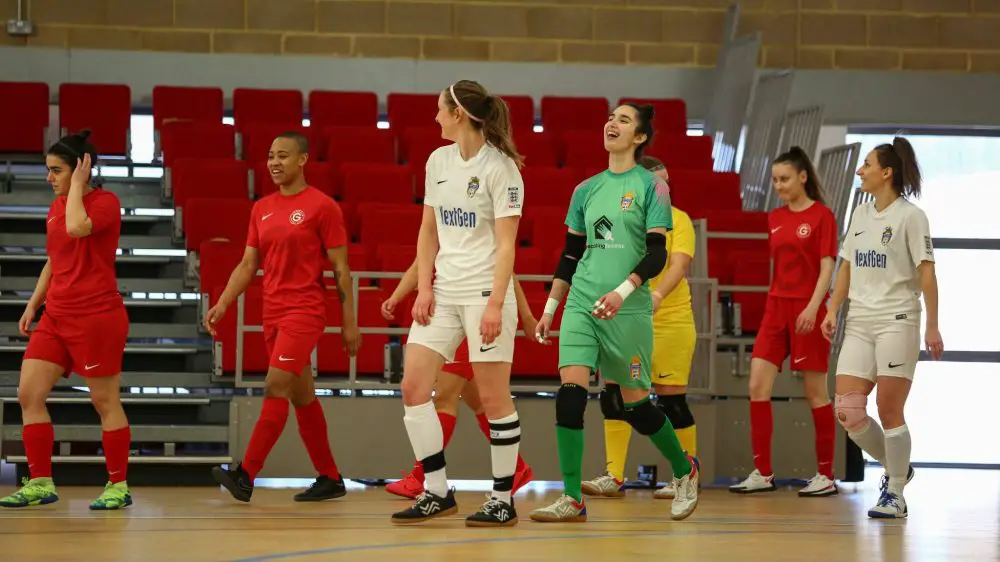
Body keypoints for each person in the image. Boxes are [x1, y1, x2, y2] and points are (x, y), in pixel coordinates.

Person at [529, 104, 699, 524]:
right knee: (569, 396)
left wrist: (624, 292)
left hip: (629, 307)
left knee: (636, 405)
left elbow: (658, 253)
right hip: (582, 302)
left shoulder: (652, 188)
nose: (612, 123)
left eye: (624, 120)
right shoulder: (585, 189)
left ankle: (684, 470)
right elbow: (570, 255)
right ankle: (573, 498)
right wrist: (550, 308)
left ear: (640, 137)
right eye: (610, 117)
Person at [390, 80, 524, 527]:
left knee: (492, 397)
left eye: (439, 111)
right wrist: (423, 287)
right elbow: (428, 231)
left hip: (485, 294)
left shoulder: (501, 168)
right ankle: (436, 490)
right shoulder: (437, 161)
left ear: (459, 114)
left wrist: (495, 305)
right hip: (443, 293)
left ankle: (502, 499)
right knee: (413, 387)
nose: (434, 118)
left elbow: (507, 247)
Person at [206, 132, 361, 503]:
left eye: (283, 156)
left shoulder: (323, 207)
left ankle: (246, 475)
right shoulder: (261, 208)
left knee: (275, 385)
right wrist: (224, 302)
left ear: (302, 160)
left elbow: (341, 268)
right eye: (271, 156)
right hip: (271, 314)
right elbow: (248, 264)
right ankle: (330, 478)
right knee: (302, 396)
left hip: (304, 312)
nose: (275, 163)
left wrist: (349, 321)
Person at [0, 131, 133, 510]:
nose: (50, 178)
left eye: (57, 170)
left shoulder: (105, 202)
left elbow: (78, 227)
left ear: (81, 168)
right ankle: (40, 482)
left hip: (97, 317)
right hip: (57, 316)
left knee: (104, 400)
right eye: (48, 170)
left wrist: (76, 185)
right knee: (29, 394)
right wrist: (33, 304)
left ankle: (118, 486)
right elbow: (56, 259)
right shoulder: (57, 206)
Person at [821, 137, 941, 518]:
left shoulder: (911, 216)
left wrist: (933, 326)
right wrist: (832, 309)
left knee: (889, 410)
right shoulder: (859, 214)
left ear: (886, 173)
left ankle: (895, 493)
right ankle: (898, 469)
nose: (860, 170)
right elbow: (846, 267)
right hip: (859, 322)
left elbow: (927, 273)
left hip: (898, 320)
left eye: (867, 164)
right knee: (848, 412)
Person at [580, 155, 698, 501]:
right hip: (626, 318)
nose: (663, 188)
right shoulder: (619, 218)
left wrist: (658, 294)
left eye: (666, 182)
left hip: (669, 321)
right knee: (614, 394)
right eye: (655, 182)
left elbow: (678, 264)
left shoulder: (679, 220)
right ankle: (613, 475)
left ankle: (685, 474)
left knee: (670, 398)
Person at [729, 147, 840, 497]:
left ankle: (825, 475)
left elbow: (827, 266)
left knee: (815, 393)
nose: (778, 185)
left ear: (802, 177)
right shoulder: (774, 217)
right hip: (775, 309)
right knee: (756, 386)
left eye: (784, 179)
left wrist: (813, 307)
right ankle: (763, 472)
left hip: (809, 310)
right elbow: (781, 267)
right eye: (775, 179)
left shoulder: (823, 216)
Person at [381, 258, 536, 499]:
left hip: (474, 315)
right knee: (478, 402)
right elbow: (418, 265)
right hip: (448, 316)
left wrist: (526, 316)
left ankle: (420, 477)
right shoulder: (444, 231)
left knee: (444, 397)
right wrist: (396, 297)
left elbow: (509, 273)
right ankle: (517, 468)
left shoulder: (482, 234)